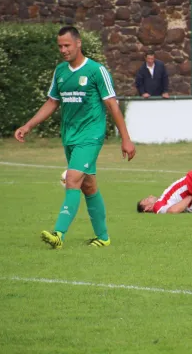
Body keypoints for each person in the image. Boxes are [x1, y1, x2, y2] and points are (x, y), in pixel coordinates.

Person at [14, 26, 136, 249]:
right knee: (88, 186)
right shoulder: (60, 72)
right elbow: (52, 102)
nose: (63, 50)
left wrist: (125, 139)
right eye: (60, 46)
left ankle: (58, 234)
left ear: (78, 43)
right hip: (69, 137)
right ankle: (103, 237)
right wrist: (28, 125)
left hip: (91, 135)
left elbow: (112, 104)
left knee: (72, 179)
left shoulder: (96, 71)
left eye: (67, 45)